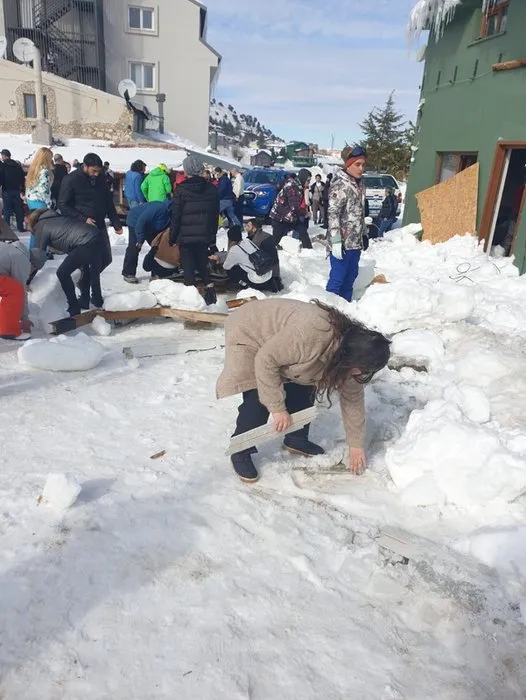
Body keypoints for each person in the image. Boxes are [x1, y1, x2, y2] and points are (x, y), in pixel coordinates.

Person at [217, 298, 390, 482]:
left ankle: (296, 439)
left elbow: (353, 399)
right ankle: (240, 450)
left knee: (305, 381)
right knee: (259, 396)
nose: (359, 373)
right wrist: (277, 408)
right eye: (361, 369)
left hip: (284, 343)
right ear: (350, 355)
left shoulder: (354, 360)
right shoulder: (313, 334)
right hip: (251, 330)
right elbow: (266, 360)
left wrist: (355, 445)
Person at [27, 208, 104, 316]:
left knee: (62, 273)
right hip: (96, 237)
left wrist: (28, 280)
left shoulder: (41, 226)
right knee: (85, 268)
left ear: (29, 219)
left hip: (85, 242)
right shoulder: (56, 218)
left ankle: (73, 307)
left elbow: (37, 257)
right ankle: (85, 301)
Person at [58, 152, 123, 274]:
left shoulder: (101, 178)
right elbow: (63, 205)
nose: (96, 174)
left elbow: (108, 202)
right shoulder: (71, 179)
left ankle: (85, 280)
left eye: (98, 171)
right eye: (94, 171)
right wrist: (83, 218)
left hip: (99, 223)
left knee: (106, 259)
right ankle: (85, 284)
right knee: (88, 260)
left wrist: (116, 223)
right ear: (86, 166)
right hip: (81, 226)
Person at [169, 155, 219, 306]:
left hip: (185, 236)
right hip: (204, 235)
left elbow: (176, 216)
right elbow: (214, 215)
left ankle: (191, 300)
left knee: (188, 267)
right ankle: (211, 296)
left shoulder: (181, 189)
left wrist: (172, 237)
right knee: (203, 264)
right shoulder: (211, 189)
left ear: (187, 170)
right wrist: (212, 237)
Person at [326, 146, 367, 302]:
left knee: (350, 278)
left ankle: (344, 313)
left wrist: (363, 233)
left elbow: (359, 212)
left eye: (363, 164)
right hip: (342, 243)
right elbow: (333, 213)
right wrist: (336, 240)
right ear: (348, 164)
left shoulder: (359, 184)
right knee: (337, 280)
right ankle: (329, 313)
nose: (361, 168)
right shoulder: (340, 185)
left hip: (355, 242)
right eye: (357, 164)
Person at [210, 219, 282, 293]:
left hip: (258, 281)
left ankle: (246, 285)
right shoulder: (248, 241)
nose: (246, 228)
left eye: (248, 226)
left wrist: (219, 258)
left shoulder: (234, 250)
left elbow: (226, 267)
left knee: (232, 271)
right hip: (268, 273)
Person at [0, 236, 46, 340]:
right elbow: (20, 290)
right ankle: (9, 330)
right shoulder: (22, 259)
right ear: (33, 265)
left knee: (9, 287)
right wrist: (25, 319)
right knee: (14, 290)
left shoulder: (13, 249)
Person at [122, 199, 172, 283]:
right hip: (135, 222)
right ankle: (128, 273)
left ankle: (156, 273)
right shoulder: (158, 208)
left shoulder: (171, 213)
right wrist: (140, 239)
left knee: (158, 247)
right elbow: (141, 222)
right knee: (135, 247)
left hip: (151, 227)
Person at [270, 169, 312, 249]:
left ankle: (309, 251)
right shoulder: (292, 187)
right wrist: (305, 213)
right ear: (303, 178)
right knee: (277, 242)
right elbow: (295, 207)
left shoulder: (299, 187)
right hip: (279, 218)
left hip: (290, 216)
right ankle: (274, 257)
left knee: (303, 231)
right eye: (307, 180)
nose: (308, 183)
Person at [0, 149, 26, 233]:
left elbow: (1, 178)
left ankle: (7, 230)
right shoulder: (17, 165)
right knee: (18, 209)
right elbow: (22, 178)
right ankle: (20, 227)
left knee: (7, 210)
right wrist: (22, 189)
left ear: (4, 156)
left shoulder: (3, 166)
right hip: (17, 190)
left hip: (7, 190)